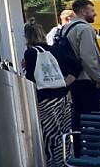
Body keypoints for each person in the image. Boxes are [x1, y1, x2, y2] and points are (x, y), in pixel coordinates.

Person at [23, 21, 72, 167]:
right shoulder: (55, 50)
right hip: (62, 97)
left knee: (50, 135)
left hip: (45, 100)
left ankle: (51, 163)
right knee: (63, 134)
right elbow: (65, 70)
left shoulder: (30, 53)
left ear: (27, 36)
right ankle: (65, 161)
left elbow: (31, 79)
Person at [63, 0, 100, 145]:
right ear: (83, 11)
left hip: (74, 80)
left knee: (78, 118)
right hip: (88, 81)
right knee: (93, 119)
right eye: (92, 10)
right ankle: (93, 151)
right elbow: (88, 58)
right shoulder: (85, 29)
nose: (95, 13)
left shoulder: (66, 28)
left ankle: (79, 149)